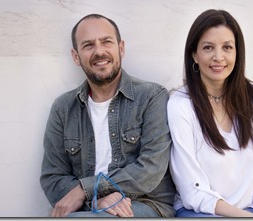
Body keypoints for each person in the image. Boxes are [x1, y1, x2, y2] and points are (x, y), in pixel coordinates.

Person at [39, 14, 176, 217]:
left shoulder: (151, 96)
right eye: (88, 45)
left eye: (106, 42)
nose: (99, 51)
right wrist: (96, 199)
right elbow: (52, 177)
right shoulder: (63, 108)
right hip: (90, 208)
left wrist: (87, 188)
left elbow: (151, 168)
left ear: (121, 48)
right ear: (76, 56)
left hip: (145, 204)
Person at [167, 9, 253, 217]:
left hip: (252, 211)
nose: (218, 57)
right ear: (194, 53)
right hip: (199, 212)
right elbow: (193, 189)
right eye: (208, 47)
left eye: (227, 47)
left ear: (237, 53)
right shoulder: (181, 104)